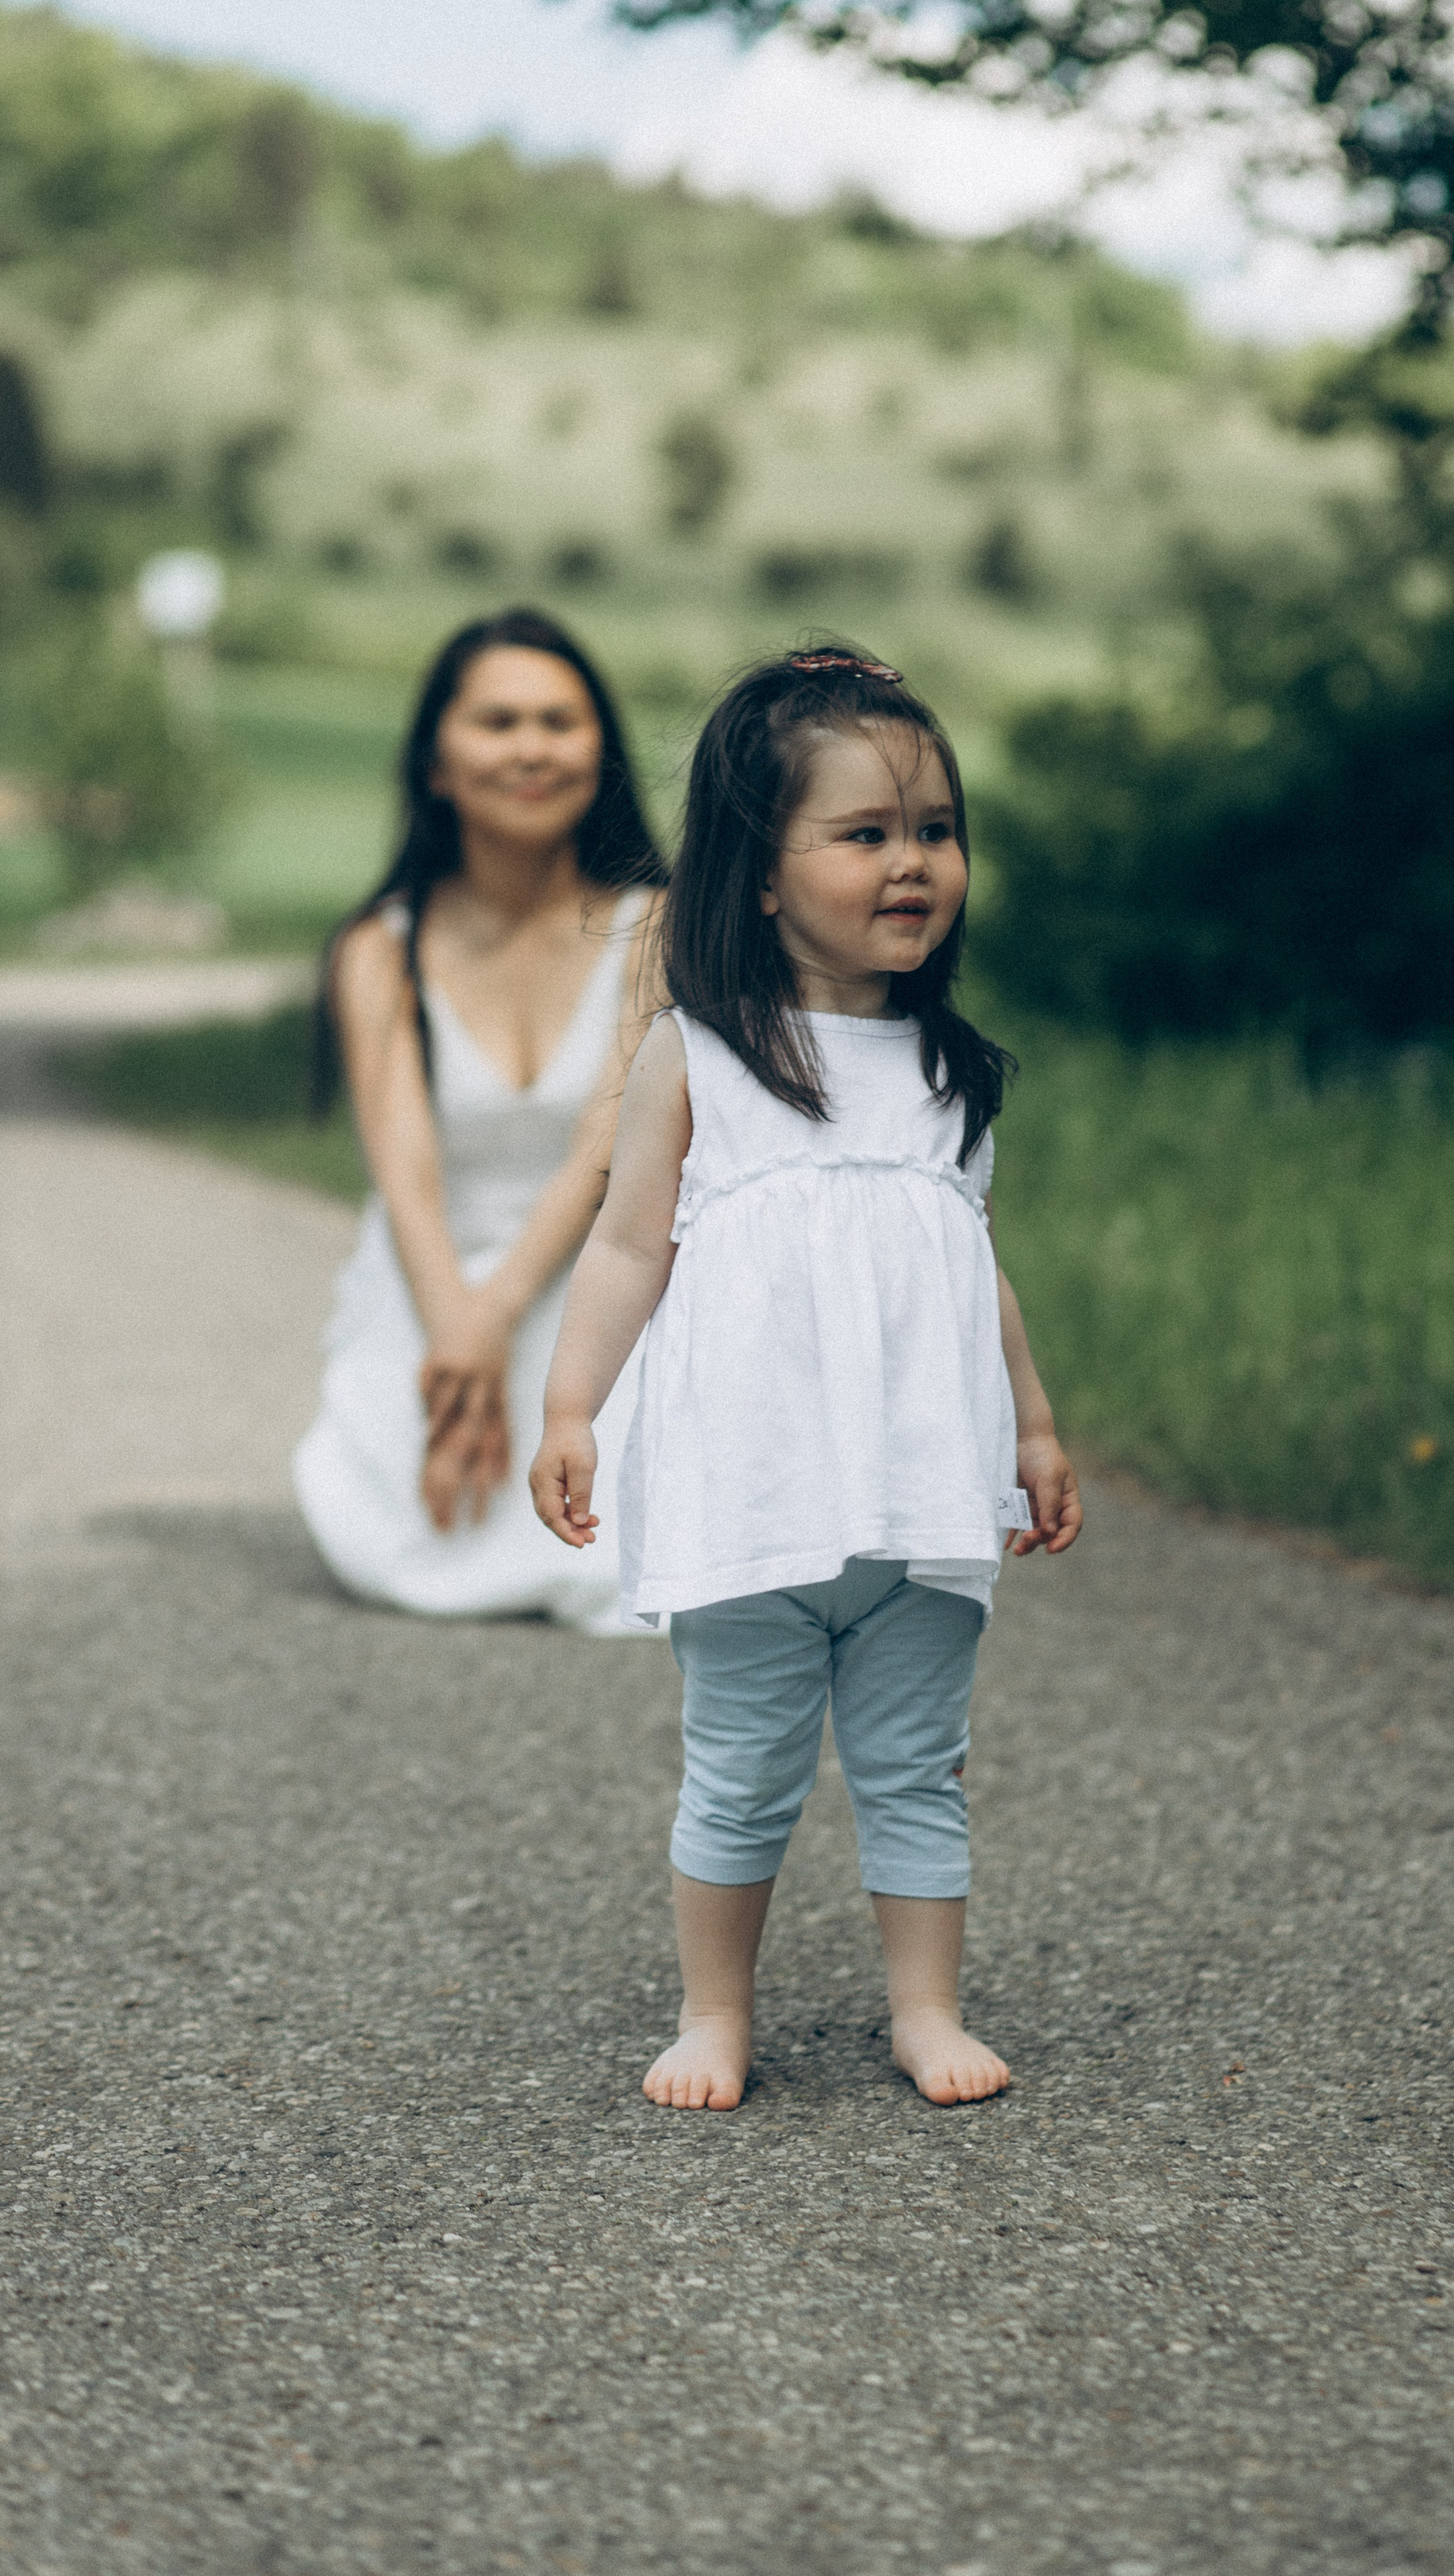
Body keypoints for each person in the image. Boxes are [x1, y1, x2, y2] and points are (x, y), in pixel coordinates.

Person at [527, 645, 1082, 2108]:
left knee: (917, 1766)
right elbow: (625, 1251)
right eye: (864, 834)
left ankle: (925, 2007)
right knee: (741, 1770)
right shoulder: (698, 1055)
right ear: (760, 876)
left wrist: (1028, 1423)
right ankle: (714, 2013)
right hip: (752, 1498)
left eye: (934, 830)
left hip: (917, 1499)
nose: (912, 863)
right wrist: (571, 1406)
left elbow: (973, 1265)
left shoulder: (952, 1072)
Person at [295, 607, 667, 1629]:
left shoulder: (658, 927)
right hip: (430, 1276)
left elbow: (611, 1149)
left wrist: (499, 1323)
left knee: (618, 1561)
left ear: (602, 752)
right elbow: (405, 1173)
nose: (533, 749)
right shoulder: (379, 947)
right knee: (390, 1539)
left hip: (604, 1273)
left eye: (561, 721)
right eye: (499, 723)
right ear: (437, 764)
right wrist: (456, 1334)